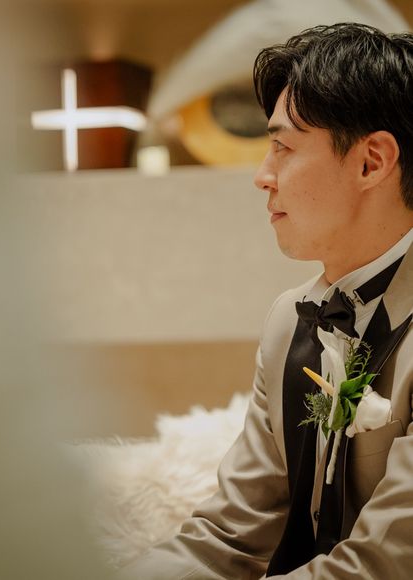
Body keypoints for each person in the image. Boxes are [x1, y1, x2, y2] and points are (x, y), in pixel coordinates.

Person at [119, 22, 413, 579]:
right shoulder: (289, 321)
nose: (262, 177)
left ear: (372, 162)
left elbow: (384, 565)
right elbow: (229, 533)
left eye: (282, 146)